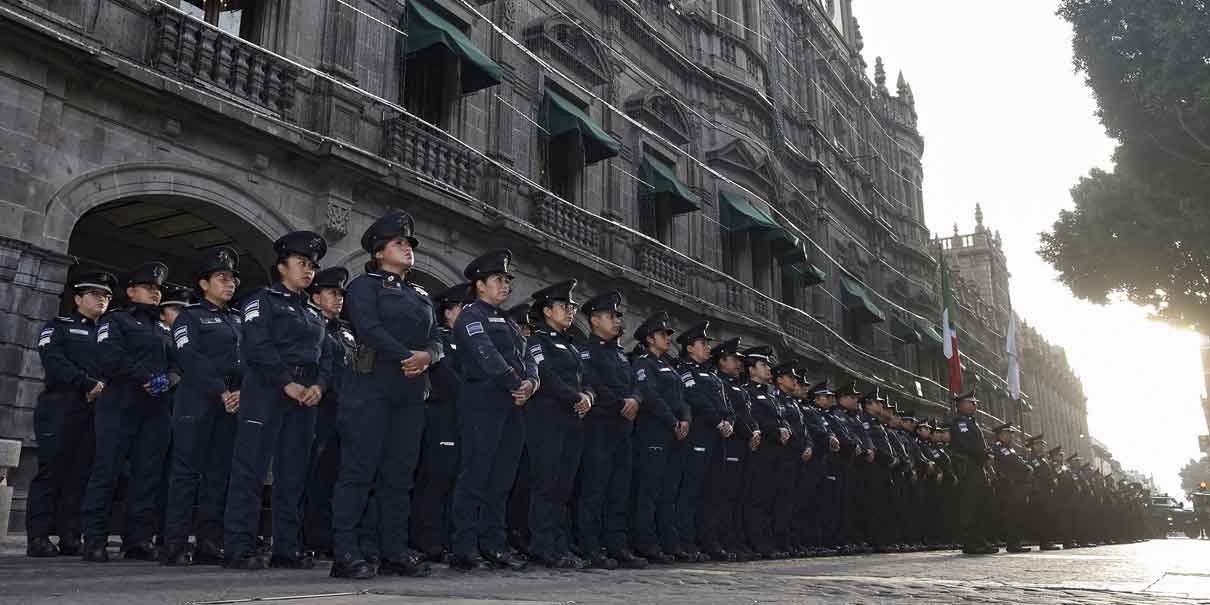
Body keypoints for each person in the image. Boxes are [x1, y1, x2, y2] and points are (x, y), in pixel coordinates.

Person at [329, 211, 441, 579]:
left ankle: (392, 550)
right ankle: (346, 552)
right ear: (379, 252)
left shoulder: (421, 293)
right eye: (399, 243)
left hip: (410, 393)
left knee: (399, 476)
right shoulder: (365, 286)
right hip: (370, 388)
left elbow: (436, 338)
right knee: (358, 472)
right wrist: (408, 356)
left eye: (409, 244)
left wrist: (429, 355)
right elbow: (369, 328)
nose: (407, 248)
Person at [223, 231, 332, 570]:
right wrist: (286, 383)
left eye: (313, 265)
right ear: (282, 267)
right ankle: (238, 546)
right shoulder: (262, 301)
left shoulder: (314, 313)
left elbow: (326, 356)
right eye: (302, 263)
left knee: (293, 473)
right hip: (267, 390)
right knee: (250, 469)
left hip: (304, 397)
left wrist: (319, 386)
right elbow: (257, 347)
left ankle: (287, 547)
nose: (309, 270)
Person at [449, 249, 537, 572]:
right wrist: (516, 383)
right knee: (475, 475)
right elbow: (485, 354)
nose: (505, 286)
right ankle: (465, 547)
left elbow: (528, 358)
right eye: (499, 280)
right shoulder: (472, 316)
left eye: (507, 281)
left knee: (501, 480)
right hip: (482, 402)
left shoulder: (511, 324)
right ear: (480, 284)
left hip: (513, 405)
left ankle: (494, 544)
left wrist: (531, 383)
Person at [81, 262, 174, 562]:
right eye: (149, 288)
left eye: (158, 289)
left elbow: (179, 363)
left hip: (156, 409)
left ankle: (137, 539)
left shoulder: (163, 327)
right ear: (132, 291)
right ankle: (94, 539)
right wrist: (145, 377)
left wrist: (169, 380)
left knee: (147, 475)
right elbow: (110, 356)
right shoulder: (116, 320)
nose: (155, 293)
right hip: (120, 404)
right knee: (106, 471)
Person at [161, 248, 243, 566]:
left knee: (218, 475)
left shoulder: (237, 320)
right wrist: (221, 390)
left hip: (231, 404)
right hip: (197, 402)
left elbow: (247, 360)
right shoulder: (190, 317)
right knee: (185, 474)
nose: (230, 284)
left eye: (232, 279)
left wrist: (239, 392)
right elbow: (189, 358)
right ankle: (175, 543)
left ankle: (209, 541)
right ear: (204, 284)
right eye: (222, 278)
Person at [26, 270, 115, 558]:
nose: (101, 299)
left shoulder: (109, 334)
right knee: (51, 471)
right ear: (78, 298)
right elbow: (53, 361)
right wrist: (88, 384)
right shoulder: (59, 326)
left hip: (95, 410)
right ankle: (38, 537)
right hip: (61, 405)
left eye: (106, 296)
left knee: (81, 475)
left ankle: (69, 535)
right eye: (95, 294)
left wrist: (102, 388)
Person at [524, 280, 592, 569]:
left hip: (572, 419)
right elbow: (546, 375)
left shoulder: (571, 345)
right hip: (547, 418)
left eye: (572, 306)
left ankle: (559, 544)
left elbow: (585, 378)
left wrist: (588, 394)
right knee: (546, 484)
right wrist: (575, 396)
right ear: (547, 310)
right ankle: (542, 545)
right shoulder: (538, 340)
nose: (571, 311)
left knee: (564, 486)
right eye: (565, 306)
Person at [576, 290, 645, 570]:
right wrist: (622, 402)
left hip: (622, 429)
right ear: (595, 320)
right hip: (599, 426)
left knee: (619, 490)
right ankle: (590, 546)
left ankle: (616, 544)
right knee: (595, 488)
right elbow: (592, 383)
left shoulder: (620, 354)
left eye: (618, 316)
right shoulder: (586, 351)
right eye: (611, 316)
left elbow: (636, 386)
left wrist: (636, 400)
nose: (618, 321)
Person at [411, 282, 469, 563]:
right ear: (448, 312)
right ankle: (428, 539)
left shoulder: (470, 341)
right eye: (463, 308)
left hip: (463, 417)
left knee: (455, 480)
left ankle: (445, 537)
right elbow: (446, 376)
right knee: (436, 478)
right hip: (441, 415)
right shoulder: (443, 340)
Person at [302, 266, 354, 559]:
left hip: (344, 411)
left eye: (341, 295)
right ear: (316, 295)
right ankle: (307, 537)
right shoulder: (310, 323)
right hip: (317, 406)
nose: (338, 299)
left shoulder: (345, 330)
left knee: (334, 475)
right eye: (332, 293)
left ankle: (325, 536)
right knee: (312, 474)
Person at [629, 311, 689, 564]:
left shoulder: (669, 366)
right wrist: (673, 421)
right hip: (654, 432)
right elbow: (651, 396)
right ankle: (645, 542)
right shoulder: (644, 363)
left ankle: (667, 542)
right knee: (649, 491)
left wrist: (685, 419)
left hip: (674, 435)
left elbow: (682, 399)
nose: (668, 338)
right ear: (650, 339)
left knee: (668, 492)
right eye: (663, 334)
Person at [673, 321, 728, 562]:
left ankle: (708, 540)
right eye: (702, 343)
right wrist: (718, 420)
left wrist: (729, 421)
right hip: (698, 436)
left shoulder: (712, 375)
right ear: (689, 347)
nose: (708, 348)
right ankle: (686, 540)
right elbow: (695, 398)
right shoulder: (685, 370)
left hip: (718, 437)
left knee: (713, 492)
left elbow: (725, 404)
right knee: (691, 491)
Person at [700, 337, 753, 562]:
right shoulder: (716, 381)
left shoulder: (732, 385)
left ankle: (731, 540)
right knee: (720, 495)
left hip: (735, 442)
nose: (739, 364)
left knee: (735, 496)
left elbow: (736, 413)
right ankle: (716, 540)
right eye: (734, 359)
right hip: (724, 442)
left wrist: (754, 431)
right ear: (721, 361)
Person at [740, 345, 784, 558]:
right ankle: (756, 542)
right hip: (760, 452)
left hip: (775, 453)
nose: (768, 369)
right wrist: (777, 430)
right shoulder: (746, 392)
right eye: (763, 364)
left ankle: (767, 541)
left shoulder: (768, 395)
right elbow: (755, 419)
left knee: (770, 498)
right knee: (756, 499)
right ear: (751, 369)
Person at [950, 390, 995, 555]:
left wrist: (986, 455)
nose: (975, 405)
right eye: (971, 402)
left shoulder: (971, 422)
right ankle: (970, 542)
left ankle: (980, 540)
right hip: (968, 468)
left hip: (977, 467)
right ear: (961, 405)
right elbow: (966, 446)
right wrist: (984, 455)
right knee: (969, 507)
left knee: (980, 506)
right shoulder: (960, 423)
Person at [991, 423, 1032, 553]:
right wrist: (1026, 467)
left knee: (1016, 515)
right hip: (1008, 486)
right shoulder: (999, 448)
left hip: (1015, 486)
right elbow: (1014, 463)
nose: (1010, 437)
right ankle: (1012, 543)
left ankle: (1015, 542)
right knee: (1011, 515)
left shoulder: (1009, 448)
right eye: (1008, 434)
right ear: (1001, 435)